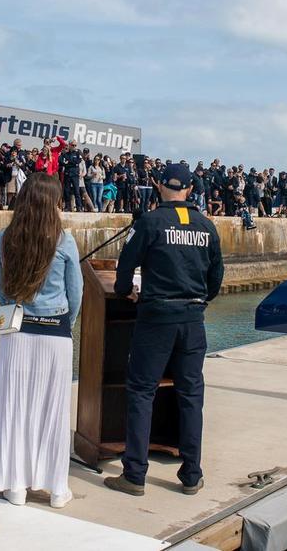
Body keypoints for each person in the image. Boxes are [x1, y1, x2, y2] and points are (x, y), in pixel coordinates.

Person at [105, 163, 224, 497]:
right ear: (189, 189)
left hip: (156, 318)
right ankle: (191, 475)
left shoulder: (150, 222)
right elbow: (216, 278)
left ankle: (135, 475)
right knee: (190, 395)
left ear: (159, 186)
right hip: (192, 319)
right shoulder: (206, 225)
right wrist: (198, 301)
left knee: (142, 392)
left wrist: (125, 290)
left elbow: (125, 267)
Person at [0, 172, 83, 509]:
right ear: (53, 202)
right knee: (52, 411)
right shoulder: (65, 240)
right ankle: (56, 488)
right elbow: (76, 292)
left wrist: (14, 304)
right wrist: (65, 321)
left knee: (16, 406)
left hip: (17, 331)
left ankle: (15, 486)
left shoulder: (4, 238)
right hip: (55, 332)